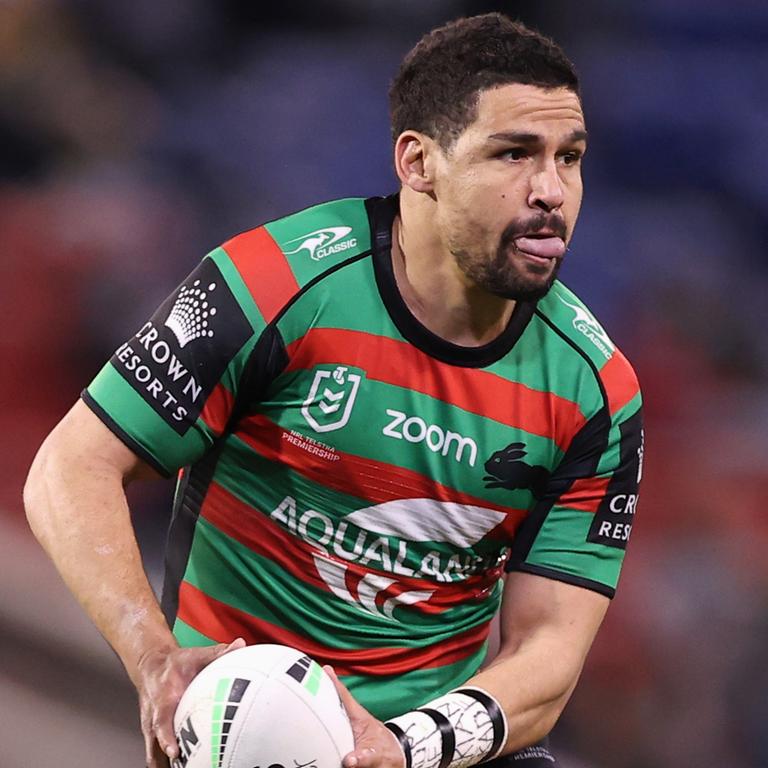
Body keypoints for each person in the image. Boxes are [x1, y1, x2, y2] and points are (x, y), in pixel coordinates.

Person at [24, 13, 643, 768]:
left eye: (569, 158)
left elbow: (549, 651)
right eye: (514, 153)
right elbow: (70, 469)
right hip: (245, 733)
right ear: (418, 163)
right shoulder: (273, 287)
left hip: (427, 745)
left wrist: (404, 747)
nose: (551, 190)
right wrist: (155, 662)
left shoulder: (596, 389)